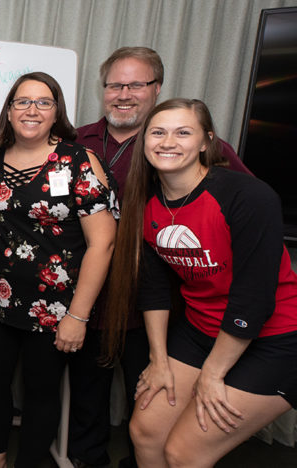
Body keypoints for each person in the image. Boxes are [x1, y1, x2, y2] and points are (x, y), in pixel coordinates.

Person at [70, 46, 251, 468]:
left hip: (160, 305)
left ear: (157, 89)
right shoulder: (77, 140)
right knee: (87, 394)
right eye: (115, 84)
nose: (124, 94)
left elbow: (246, 208)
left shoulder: (183, 142)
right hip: (88, 296)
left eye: (136, 84)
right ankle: (87, 459)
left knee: (151, 398)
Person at [104, 98, 297, 467]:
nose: (167, 142)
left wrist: (212, 374)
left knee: (185, 452)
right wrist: (159, 360)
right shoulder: (146, 204)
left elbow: (253, 300)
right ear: (144, 142)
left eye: (183, 132)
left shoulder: (248, 197)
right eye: (157, 132)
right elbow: (154, 289)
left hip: (276, 338)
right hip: (201, 330)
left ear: (207, 142)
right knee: (146, 432)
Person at [0, 72, 117, 468]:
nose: (31, 110)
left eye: (43, 102)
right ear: (9, 111)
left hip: (53, 309)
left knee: (40, 392)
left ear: (57, 112)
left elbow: (103, 242)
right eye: (22, 102)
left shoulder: (78, 161)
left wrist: (78, 316)